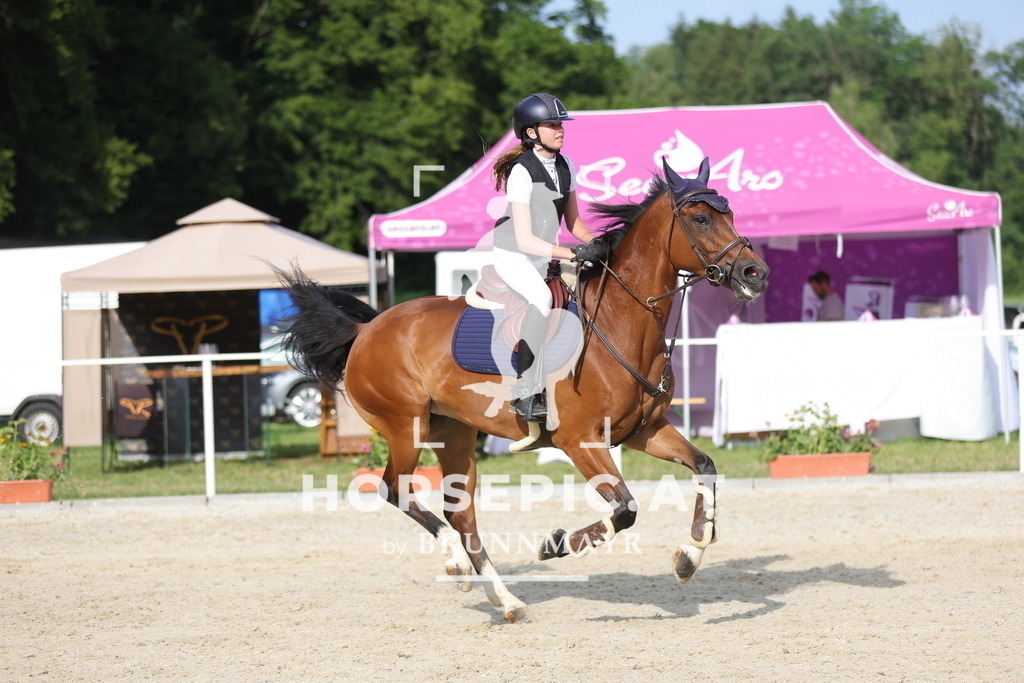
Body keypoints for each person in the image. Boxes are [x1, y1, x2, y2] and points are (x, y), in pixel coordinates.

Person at [490, 92, 607, 422]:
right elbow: (525, 239)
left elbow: (575, 223)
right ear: (531, 132)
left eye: (560, 124)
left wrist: (599, 243)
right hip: (513, 255)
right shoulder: (521, 171)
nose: (560, 130)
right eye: (552, 125)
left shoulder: (566, 165)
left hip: (543, 256)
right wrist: (572, 253)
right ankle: (525, 390)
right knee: (541, 299)